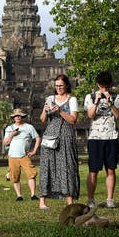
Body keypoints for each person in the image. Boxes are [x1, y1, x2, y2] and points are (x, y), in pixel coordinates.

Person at [38, 74, 80, 210]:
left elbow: (73, 120)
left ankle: (69, 201)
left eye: (61, 86)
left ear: (67, 85)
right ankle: (42, 201)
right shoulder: (50, 98)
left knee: (67, 166)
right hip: (50, 136)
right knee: (46, 166)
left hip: (66, 135)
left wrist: (60, 110)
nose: (58, 88)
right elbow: (43, 120)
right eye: (56, 86)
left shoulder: (72, 99)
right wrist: (45, 110)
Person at [84, 71, 119, 209]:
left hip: (111, 137)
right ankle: (90, 199)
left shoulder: (117, 97)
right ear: (97, 84)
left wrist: (110, 103)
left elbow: (118, 116)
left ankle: (110, 200)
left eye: (106, 87)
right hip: (95, 138)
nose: (104, 89)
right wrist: (96, 101)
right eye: (101, 86)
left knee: (111, 170)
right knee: (93, 170)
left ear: (110, 85)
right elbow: (90, 115)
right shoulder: (90, 96)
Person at [3, 108, 41, 201]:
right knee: (14, 176)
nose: (18, 117)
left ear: (22, 117)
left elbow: (38, 138)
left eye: (19, 115)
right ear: (13, 117)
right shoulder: (9, 128)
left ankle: (33, 194)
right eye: (16, 116)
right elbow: (5, 142)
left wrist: (34, 151)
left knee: (31, 174)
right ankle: (19, 196)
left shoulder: (29, 127)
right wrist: (12, 134)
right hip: (12, 156)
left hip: (25, 155)